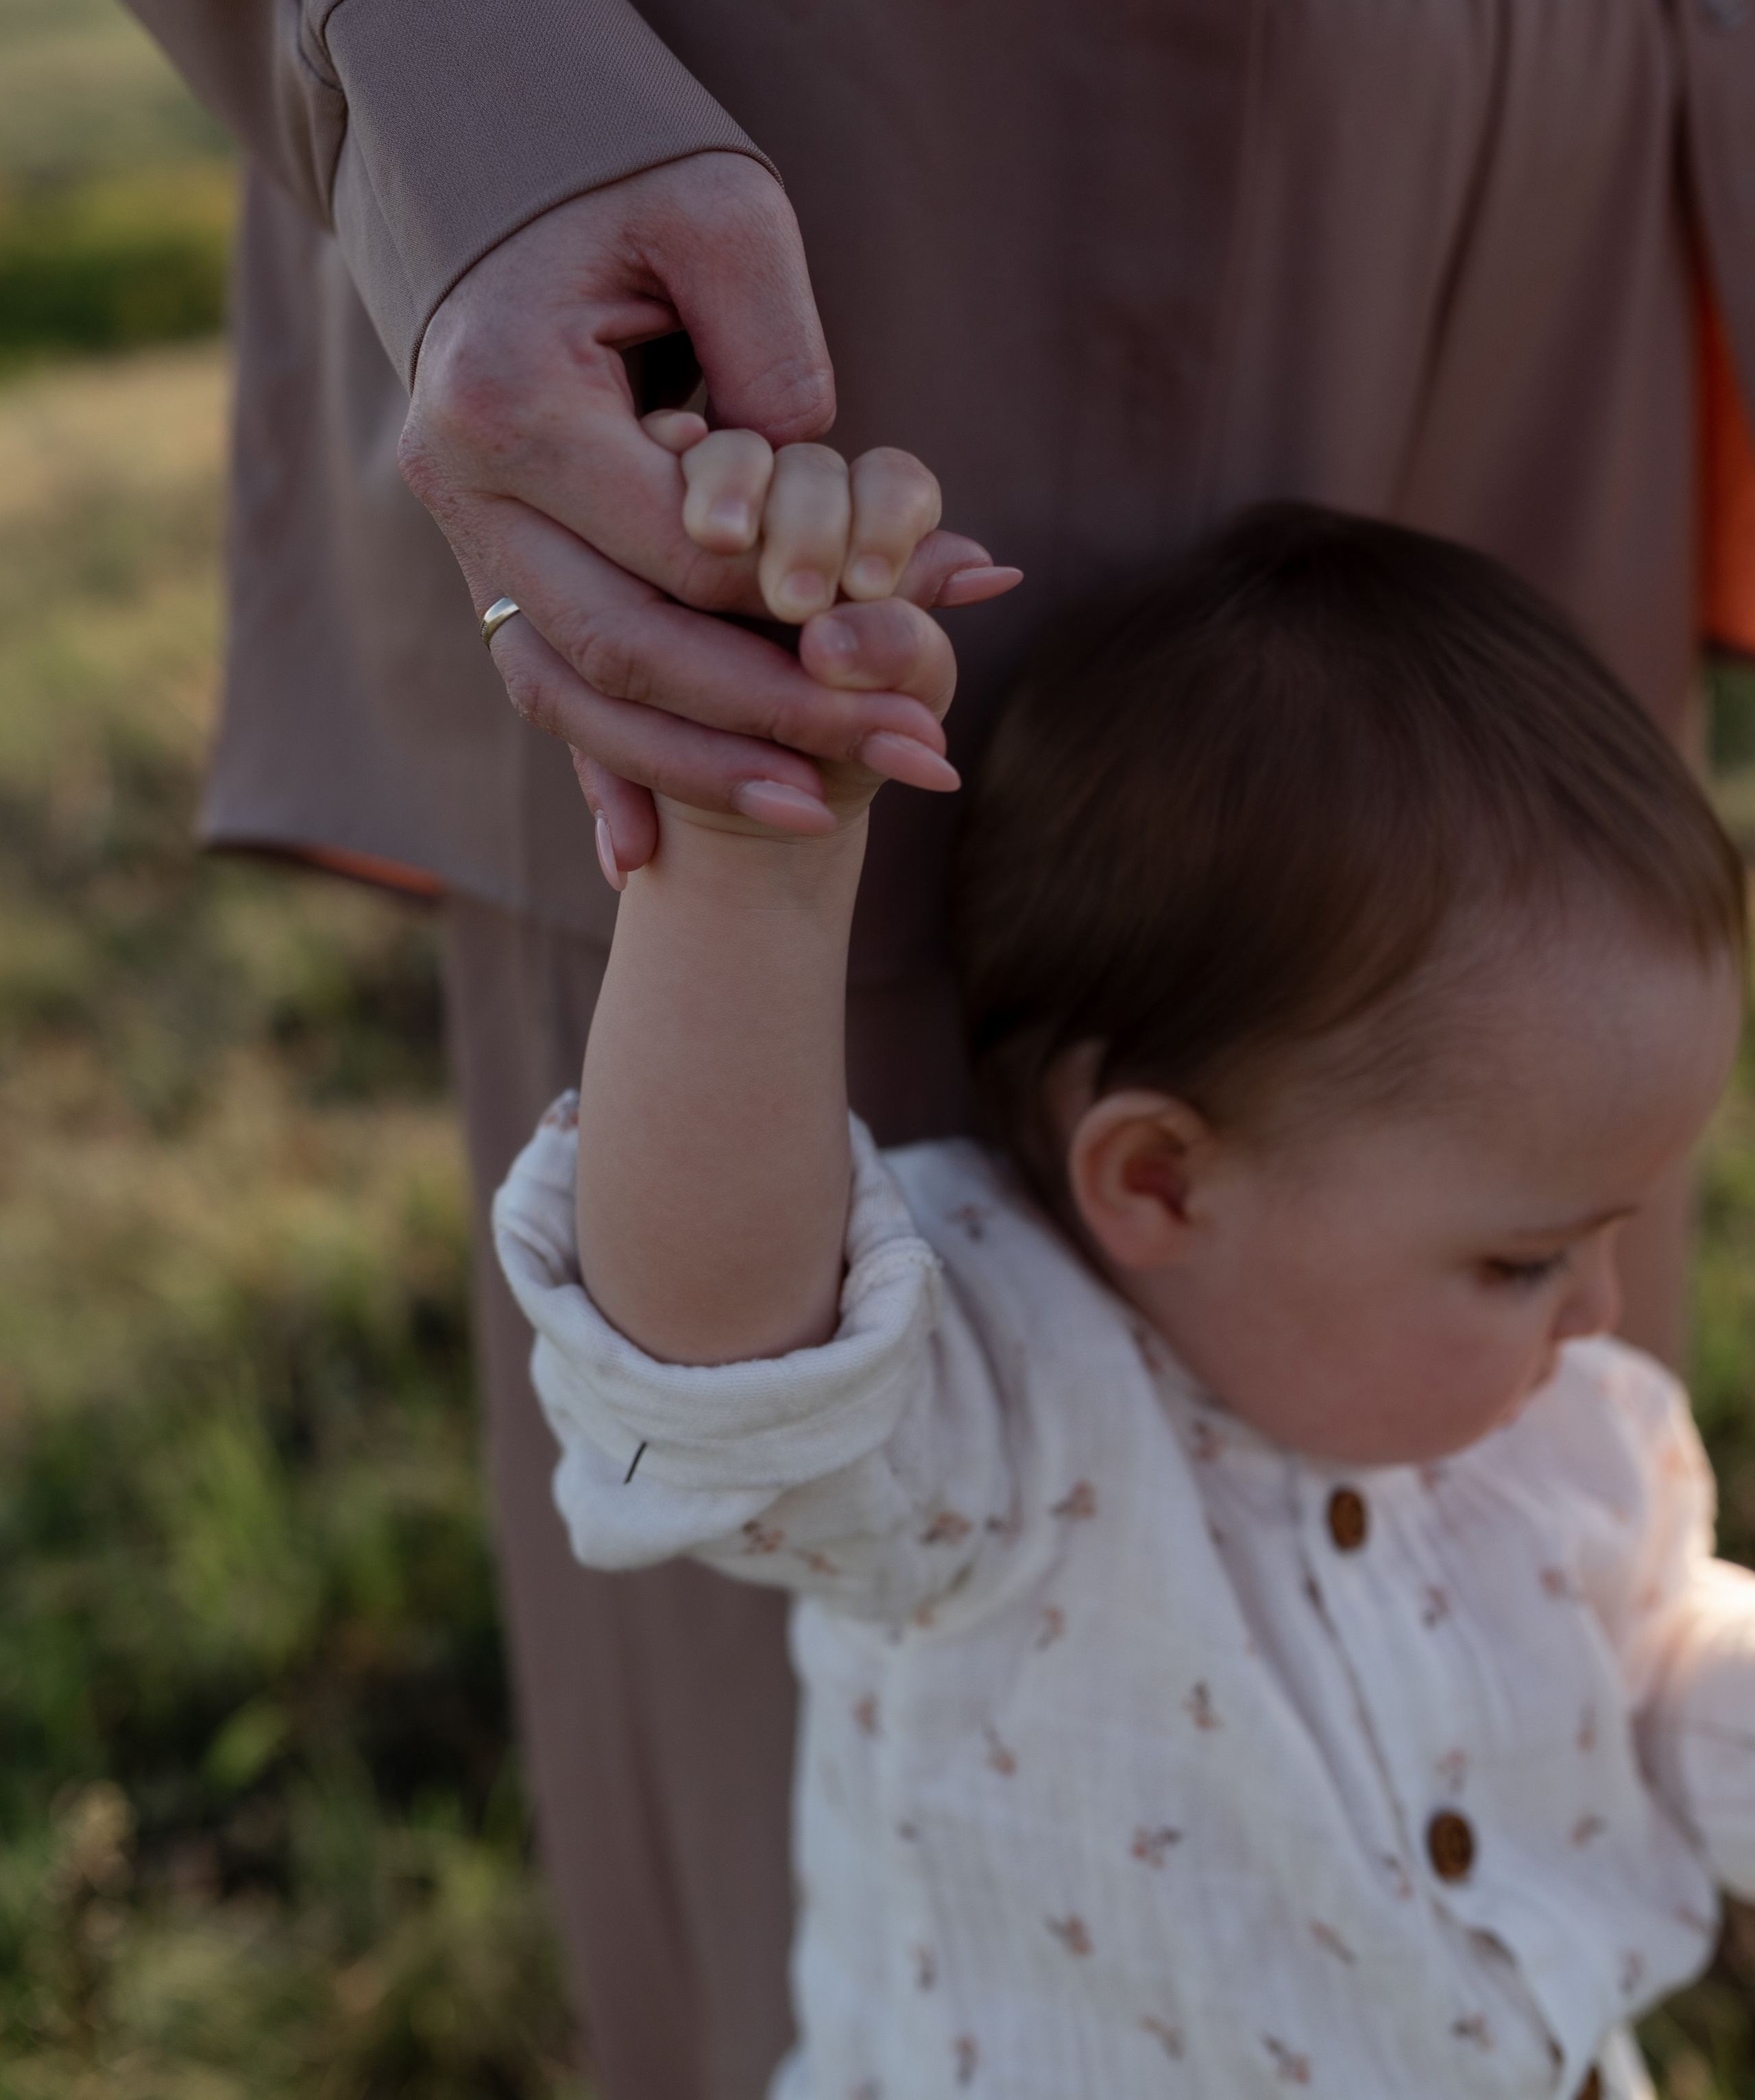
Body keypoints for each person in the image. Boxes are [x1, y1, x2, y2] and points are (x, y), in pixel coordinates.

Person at [5, 0, 1755, 2087]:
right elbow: (737, 1357)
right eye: (1574, 1278)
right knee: (836, 1564)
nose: (1626, 1325)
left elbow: (1645, 1624)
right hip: (790, 76)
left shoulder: (1578, 1387)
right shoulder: (951, 1425)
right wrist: (747, 856)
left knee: (1468, 1205)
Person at [497, 490, 1754, 2100]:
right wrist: (747, 868)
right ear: (1159, 1181)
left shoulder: (1569, 1440)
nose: (1593, 1314)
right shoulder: (1010, 1412)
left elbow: (1651, 1662)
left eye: (1602, 1236)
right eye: (1518, 1260)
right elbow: (717, 1368)